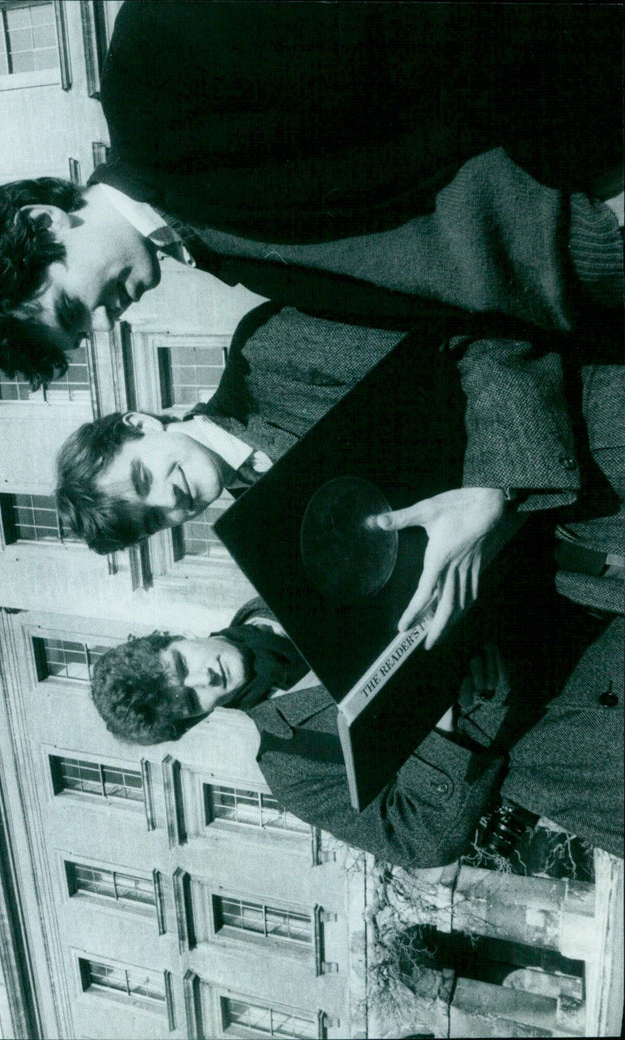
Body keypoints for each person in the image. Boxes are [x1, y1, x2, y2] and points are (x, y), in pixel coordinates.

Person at [0, 3, 623, 386]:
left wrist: (596, 166)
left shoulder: (156, 64)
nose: (107, 323)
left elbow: (435, 23)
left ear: (44, 220)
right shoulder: (221, 259)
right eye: (81, 334)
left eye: (72, 307)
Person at [56, 304, 617, 646]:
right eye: (155, 518)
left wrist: (494, 483)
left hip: (603, 429)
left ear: (139, 423)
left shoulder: (267, 349)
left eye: (143, 477)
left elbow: (471, 324)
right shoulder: (272, 538)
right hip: (592, 546)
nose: (170, 498)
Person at [90, 594, 623, 865]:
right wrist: (438, 723)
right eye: (192, 697)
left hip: (582, 642)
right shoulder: (292, 767)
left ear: (174, 637)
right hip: (579, 765)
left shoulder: (294, 575)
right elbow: (416, 840)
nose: (205, 676)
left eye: (182, 663)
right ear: (198, 718)